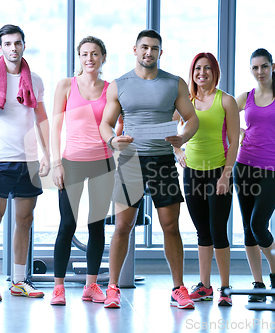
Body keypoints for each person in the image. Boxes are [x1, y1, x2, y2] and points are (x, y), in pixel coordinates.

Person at [99, 29, 199, 309]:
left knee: (170, 226)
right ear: (135, 49)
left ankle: (178, 288)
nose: (148, 53)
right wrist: (112, 140)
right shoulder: (120, 85)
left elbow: (191, 119)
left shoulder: (174, 83)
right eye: (144, 47)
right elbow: (105, 123)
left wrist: (183, 137)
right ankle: (113, 288)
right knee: (123, 226)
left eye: (154, 48)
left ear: (160, 53)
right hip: (131, 160)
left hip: (163, 161)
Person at [0, 24, 50, 301]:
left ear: (23, 45)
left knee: (25, 220)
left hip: (28, 161)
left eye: (17, 43)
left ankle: (19, 280)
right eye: (7, 44)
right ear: (0, 47)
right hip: (0, 159)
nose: (13, 48)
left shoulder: (36, 80)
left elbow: (41, 119)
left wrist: (47, 154)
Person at [50, 36, 119, 306]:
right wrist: (56, 164)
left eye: (95, 54)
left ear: (103, 57)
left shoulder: (112, 88)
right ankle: (59, 287)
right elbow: (54, 128)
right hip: (71, 164)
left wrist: (119, 145)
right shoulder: (66, 86)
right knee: (67, 224)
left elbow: (120, 123)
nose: (89, 58)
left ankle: (91, 286)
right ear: (79, 57)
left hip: (103, 163)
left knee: (96, 226)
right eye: (84, 54)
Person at [173, 52, 239, 306]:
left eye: (207, 68)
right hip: (192, 173)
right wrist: (178, 151)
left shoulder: (227, 101)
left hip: (218, 173)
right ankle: (205, 286)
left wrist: (226, 174)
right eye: (198, 69)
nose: (202, 73)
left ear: (214, 72)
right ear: (193, 73)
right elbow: (170, 129)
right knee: (202, 232)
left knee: (218, 231)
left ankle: (225, 288)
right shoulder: (186, 101)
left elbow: (234, 141)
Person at [233, 48, 275, 302]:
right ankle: (257, 284)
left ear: (272, 66)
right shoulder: (245, 97)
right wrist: (239, 133)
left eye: (264, 66)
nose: (260, 72)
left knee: (259, 224)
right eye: (255, 68)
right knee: (248, 229)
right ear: (251, 70)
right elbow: (221, 117)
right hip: (244, 166)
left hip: (272, 170)